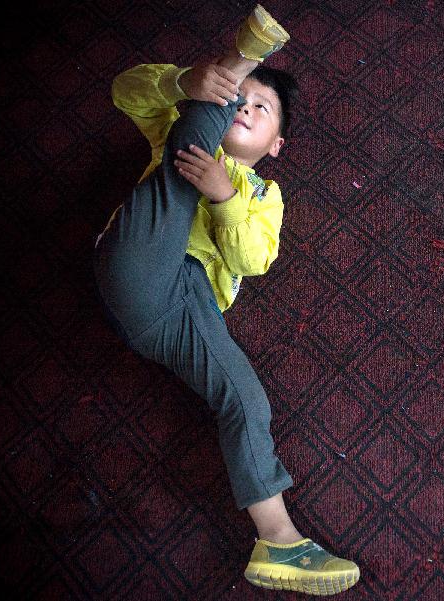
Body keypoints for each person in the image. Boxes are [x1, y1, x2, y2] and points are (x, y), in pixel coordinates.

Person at [92, 5, 360, 595]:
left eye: (261, 107)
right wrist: (184, 82)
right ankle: (239, 58)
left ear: (276, 145)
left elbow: (253, 260)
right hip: (140, 260)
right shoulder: (182, 127)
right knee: (186, 146)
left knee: (247, 400)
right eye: (240, 95)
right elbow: (124, 91)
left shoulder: (265, 195)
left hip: (185, 313)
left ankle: (279, 541)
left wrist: (225, 196)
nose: (246, 106)